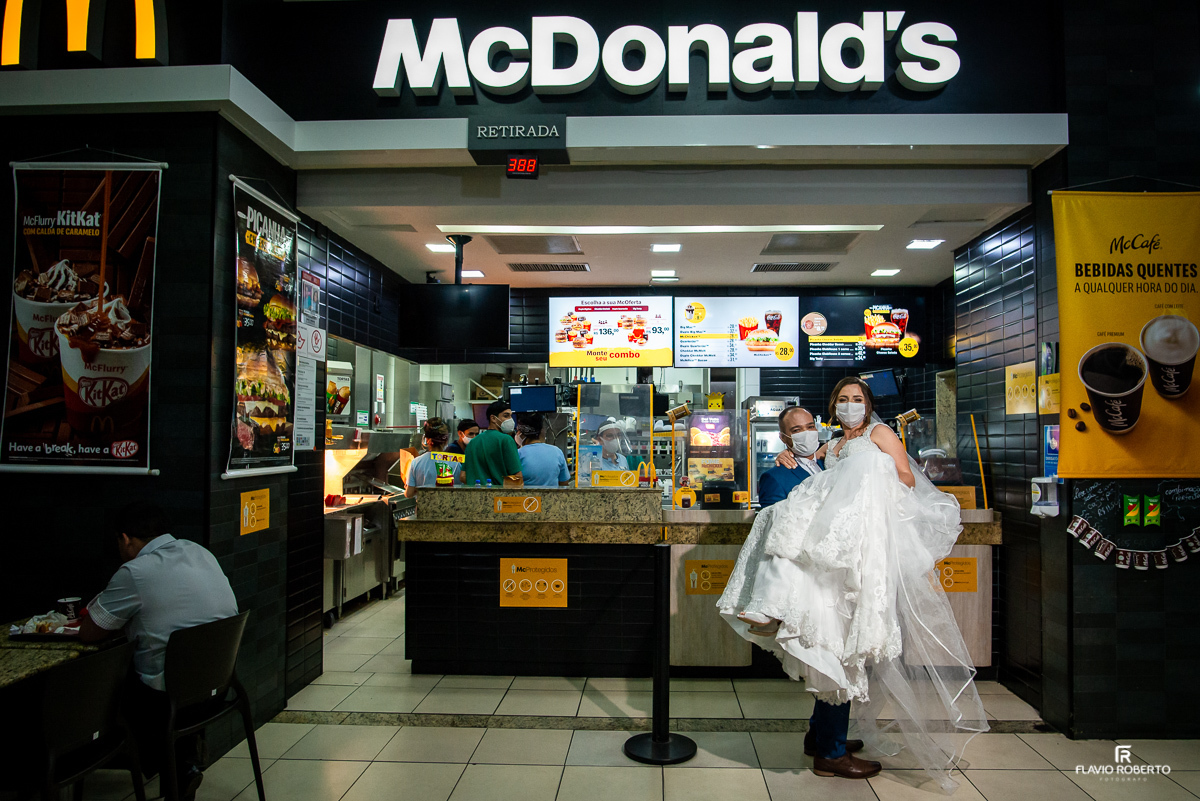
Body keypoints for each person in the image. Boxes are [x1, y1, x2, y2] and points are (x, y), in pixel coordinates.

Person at [718, 377, 986, 790]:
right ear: (833, 406)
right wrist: (794, 458)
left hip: (863, 554)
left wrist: (867, 473)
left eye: (857, 399)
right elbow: (818, 487)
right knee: (833, 646)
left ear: (868, 404)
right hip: (833, 561)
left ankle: (826, 739)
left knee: (842, 647)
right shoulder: (832, 446)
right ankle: (829, 748)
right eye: (842, 400)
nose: (849, 406)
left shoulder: (880, 433)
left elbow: (905, 479)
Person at [80, 502, 238, 799]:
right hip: (218, 686)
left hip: (170, 700)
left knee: (117, 690)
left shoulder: (135, 572)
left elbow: (90, 633)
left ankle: (174, 770)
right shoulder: (199, 552)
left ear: (125, 538)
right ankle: (181, 768)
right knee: (162, 678)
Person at [756, 406, 826, 509]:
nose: (806, 433)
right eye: (797, 430)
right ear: (783, 438)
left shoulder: (828, 463)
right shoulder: (774, 478)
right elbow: (772, 519)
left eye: (810, 427)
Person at [465, 399, 524, 487]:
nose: (510, 420)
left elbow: (463, 476)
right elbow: (517, 477)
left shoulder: (473, 442)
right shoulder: (506, 440)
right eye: (506, 416)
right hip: (499, 497)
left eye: (511, 416)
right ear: (493, 418)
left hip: (476, 495)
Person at [405, 418, 463, 496]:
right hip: (448, 506)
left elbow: (409, 494)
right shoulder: (455, 462)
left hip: (423, 507)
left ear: (426, 439)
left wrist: (409, 488)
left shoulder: (416, 462)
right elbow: (460, 490)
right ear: (446, 439)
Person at [515, 413, 570, 487]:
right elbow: (564, 483)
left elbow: (513, 485)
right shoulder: (557, 452)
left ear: (520, 434)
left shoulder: (518, 454)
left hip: (527, 498)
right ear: (542, 431)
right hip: (552, 497)